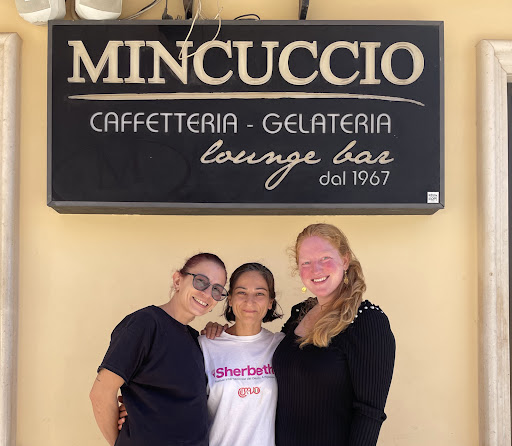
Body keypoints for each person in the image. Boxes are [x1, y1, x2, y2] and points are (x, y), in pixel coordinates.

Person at [272, 223, 395, 446]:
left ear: (345, 260)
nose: (316, 269)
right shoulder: (299, 313)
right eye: (306, 262)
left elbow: (369, 413)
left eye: (325, 258)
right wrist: (224, 333)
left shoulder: (367, 320)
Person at [89, 253, 228, 446]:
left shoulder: (196, 339)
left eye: (217, 290)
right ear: (178, 280)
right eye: (201, 281)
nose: (207, 293)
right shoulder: (145, 324)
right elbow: (101, 393)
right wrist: (121, 443)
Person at [199, 263, 284, 446]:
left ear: (270, 302)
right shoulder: (205, 345)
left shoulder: (280, 346)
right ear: (230, 299)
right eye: (241, 292)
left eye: (259, 293)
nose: (249, 301)